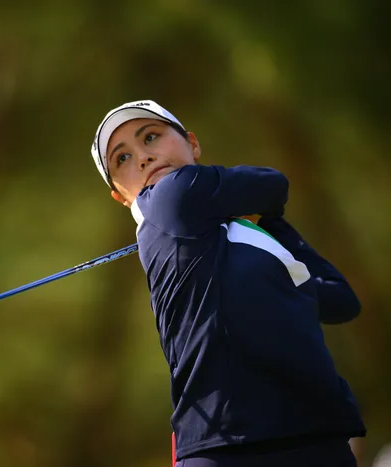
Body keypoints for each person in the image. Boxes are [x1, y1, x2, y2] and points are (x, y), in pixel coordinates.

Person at [90, 100, 366, 467]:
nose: (143, 157)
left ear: (193, 143)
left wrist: (268, 223)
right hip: (225, 447)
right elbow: (273, 184)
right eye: (122, 158)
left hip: (316, 435)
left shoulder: (252, 232)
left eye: (151, 137)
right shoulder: (172, 195)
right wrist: (261, 208)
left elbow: (340, 300)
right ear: (121, 197)